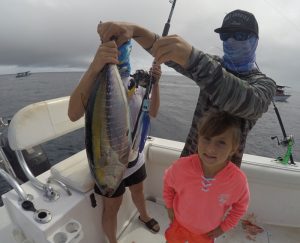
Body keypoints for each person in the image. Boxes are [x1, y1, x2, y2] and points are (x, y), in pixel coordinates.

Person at [98, 9, 277, 168]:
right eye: (225, 35)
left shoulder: (264, 84)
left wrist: (192, 58)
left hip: (223, 179)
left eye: (239, 35)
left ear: (254, 40)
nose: (230, 40)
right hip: (188, 166)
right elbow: (169, 54)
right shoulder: (213, 65)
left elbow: (246, 101)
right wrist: (135, 31)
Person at [68, 38, 161, 243]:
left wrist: (157, 84)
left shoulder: (136, 85)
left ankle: (144, 216)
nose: (119, 55)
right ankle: (112, 241)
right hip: (114, 164)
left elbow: (152, 111)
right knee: (112, 207)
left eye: (122, 47)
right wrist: (95, 66)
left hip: (134, 158)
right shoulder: (96, 81)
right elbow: (73, 113)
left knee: (139, 190)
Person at [163, 111, 250, 243]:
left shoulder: (238, 181)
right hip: (178, 224)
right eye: (206, 139)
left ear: (233, 149)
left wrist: (223, 228)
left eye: (221, 142)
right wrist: (169, 207)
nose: (210, 149)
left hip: (206, 233)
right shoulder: (181, 167)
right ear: (198, 139)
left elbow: (240, 207)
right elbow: (168, 184)